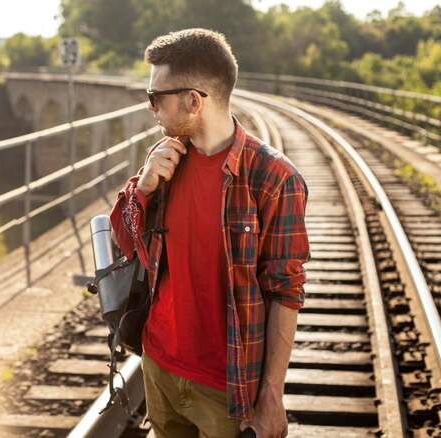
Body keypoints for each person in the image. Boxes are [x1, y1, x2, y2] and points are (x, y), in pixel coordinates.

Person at [110, 28, 310, 438]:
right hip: (159, 364)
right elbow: (127, 243)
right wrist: (143, 188)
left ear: (192, 100)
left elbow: (285, 292)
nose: (151, 109)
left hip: (226, 386)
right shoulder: (165, 156)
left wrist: (271, 396)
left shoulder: (274, 179)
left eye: (155, 98)